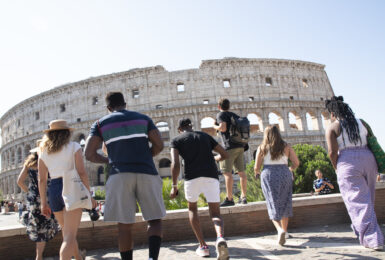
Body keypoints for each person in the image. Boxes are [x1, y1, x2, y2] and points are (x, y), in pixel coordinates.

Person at [84, 92, 166, 260]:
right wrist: (145, 156)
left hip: (119, 175)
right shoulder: (143, 119)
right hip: (147, 173)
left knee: (124, 226)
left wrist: (110, 160)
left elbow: (89, 154)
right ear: (125, 103)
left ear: (108, 108)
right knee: (155, 220)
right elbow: (159, 144)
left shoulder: (100, 124)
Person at [325, 96, 384, 250]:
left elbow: (332, 152)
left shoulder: (333, 127)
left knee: (357, 201)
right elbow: (372, 140)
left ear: (333, 113)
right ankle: (361, 230)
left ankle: (373, 239)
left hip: (348, 161)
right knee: (368, 199)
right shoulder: (362, 122)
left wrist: (336, 167)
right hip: (369, 159)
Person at [170, 118, 229, 259]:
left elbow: (175, 164)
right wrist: (216, 159)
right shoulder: (205, 136)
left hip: (191, 177)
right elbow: (224, 154)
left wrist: (174, 185)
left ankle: (203, 246)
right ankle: (220, 237)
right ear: (191, 126)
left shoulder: (177, 140)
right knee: (215, 213)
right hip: (211, 175)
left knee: (192, 209)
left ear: (180, 129)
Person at [38, 119, 96, 260]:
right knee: (69, 236)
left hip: (54, 189)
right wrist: (88, 194)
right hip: (71, 187)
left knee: (67, 232)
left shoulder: (43, 152)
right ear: (67, 133)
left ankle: (78, 257)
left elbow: (42, 179)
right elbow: (81, 172)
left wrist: (43, 203)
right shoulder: (74, 146)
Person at [254, 125, 299, 246]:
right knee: (285, 201)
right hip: (284, 173)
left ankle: (279, 230)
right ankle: (285, 230)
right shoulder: (286, 146)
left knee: (272, 202)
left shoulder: (262, 147)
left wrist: (256, 172)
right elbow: (296, 162)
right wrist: (290, 168)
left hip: (268, 174)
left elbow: (256, 167)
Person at [17, 148, 59, 260]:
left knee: (39, 228)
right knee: (61, 224)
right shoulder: (48, 162)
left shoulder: (29, 164)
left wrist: (29, 192)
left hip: (34, 201)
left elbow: (19, 181)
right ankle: (74, 251)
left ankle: (38, 256)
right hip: (48, 198)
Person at [213, 98, 247, 206]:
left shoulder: (221, 115)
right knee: (241, 173)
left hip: (229, 146)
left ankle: (229, 198)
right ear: (229, 106)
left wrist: (214, 126)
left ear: (219, 106)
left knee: (227, 173)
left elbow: (222, 128)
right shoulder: (234, 115)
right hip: (240, 146)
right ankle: (243, 197)